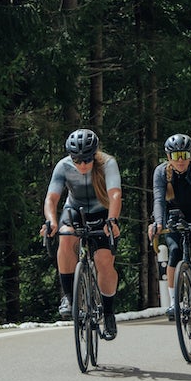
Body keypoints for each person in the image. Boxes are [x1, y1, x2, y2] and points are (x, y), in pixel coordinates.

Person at [42, 128, 123, 338]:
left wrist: (112, 220)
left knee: (104, 260)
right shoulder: (63, 166)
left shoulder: (107, 163)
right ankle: (69, 297)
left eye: (87, 159)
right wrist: (51, 221)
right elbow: (51, 199)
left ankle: (108, 312)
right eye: (77, 160)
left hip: (102, 211)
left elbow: (115, 195)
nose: (83, 164)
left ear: (95, 154)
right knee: (66, 237)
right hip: (74, 211)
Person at [149, 133, 191, 324]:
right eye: (176, 156)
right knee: (175, 251)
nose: (181, 161)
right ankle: (173, 302)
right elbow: (158, 199)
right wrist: (158, 223)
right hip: (174, 218)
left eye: (185, 156)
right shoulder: (161, 172)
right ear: (168, 157)